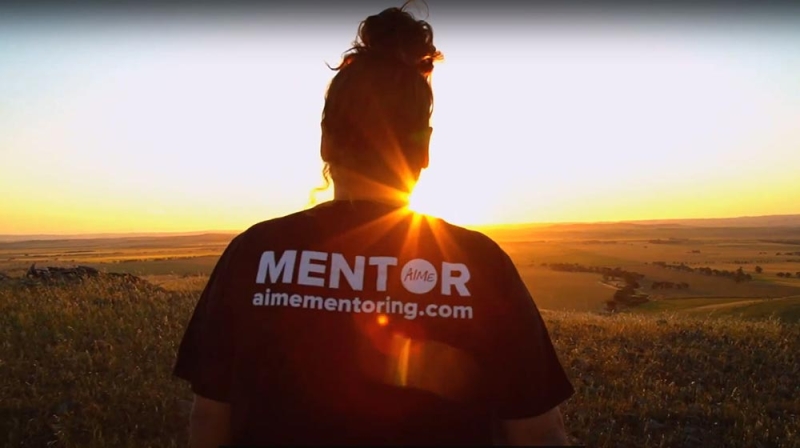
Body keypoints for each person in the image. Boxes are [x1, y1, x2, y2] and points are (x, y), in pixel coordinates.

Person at [174, 3, 574, 446]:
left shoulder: (254, 253)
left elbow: (210, 419)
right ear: (424, 149)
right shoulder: (479, 263)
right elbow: (537, 431)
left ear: (326, 141)